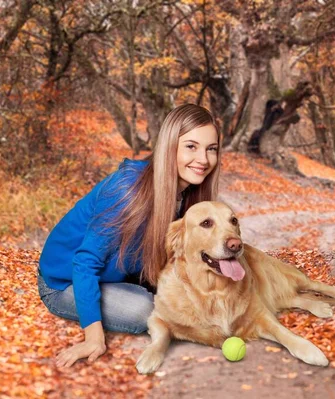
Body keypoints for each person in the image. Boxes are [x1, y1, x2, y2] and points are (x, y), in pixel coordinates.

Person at [37, 104, 221, 367]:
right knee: (144, 311)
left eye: (211, 149)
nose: (203, 159)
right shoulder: (126, 189)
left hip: (121, 273)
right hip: (64, 281)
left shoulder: (186, 196)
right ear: (169, 146)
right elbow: (84, 264)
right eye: (191, 146)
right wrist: (93, 338)